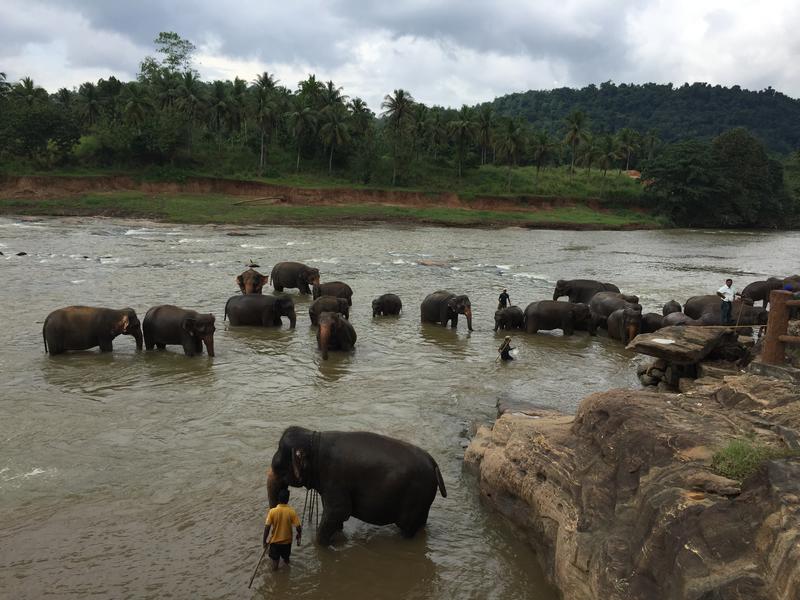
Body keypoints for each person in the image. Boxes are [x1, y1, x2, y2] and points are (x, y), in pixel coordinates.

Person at [263, 488, 302, 571]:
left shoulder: (272, 511)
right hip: (287, 542)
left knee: (275, 565)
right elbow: (298, 527)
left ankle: (276, 580)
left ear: (278, 499)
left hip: (275, 542)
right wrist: (299, 535)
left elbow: (267, 527)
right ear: (288, 499)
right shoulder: (291, 512)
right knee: (286, 561)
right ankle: (286, 576)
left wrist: (264, 542)